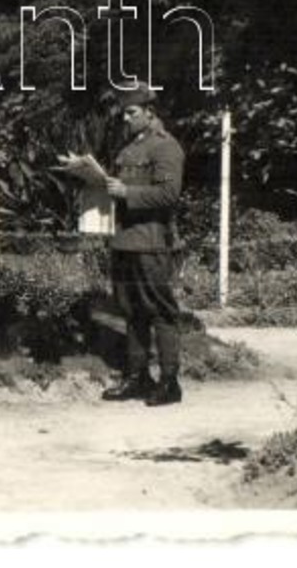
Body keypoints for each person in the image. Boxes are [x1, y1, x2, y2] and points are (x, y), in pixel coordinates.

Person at [99, 84, 187, 407]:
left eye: (132, 112)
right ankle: (138, 377)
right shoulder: (128, 148)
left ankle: (169, 381)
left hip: (151, 241)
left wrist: (127, 194)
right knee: (131, 310)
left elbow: (168, 195)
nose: (126, 118)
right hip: (124, 240)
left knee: (161, 311)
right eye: (123, 112)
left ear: (150, 112)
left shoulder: (166, 148)